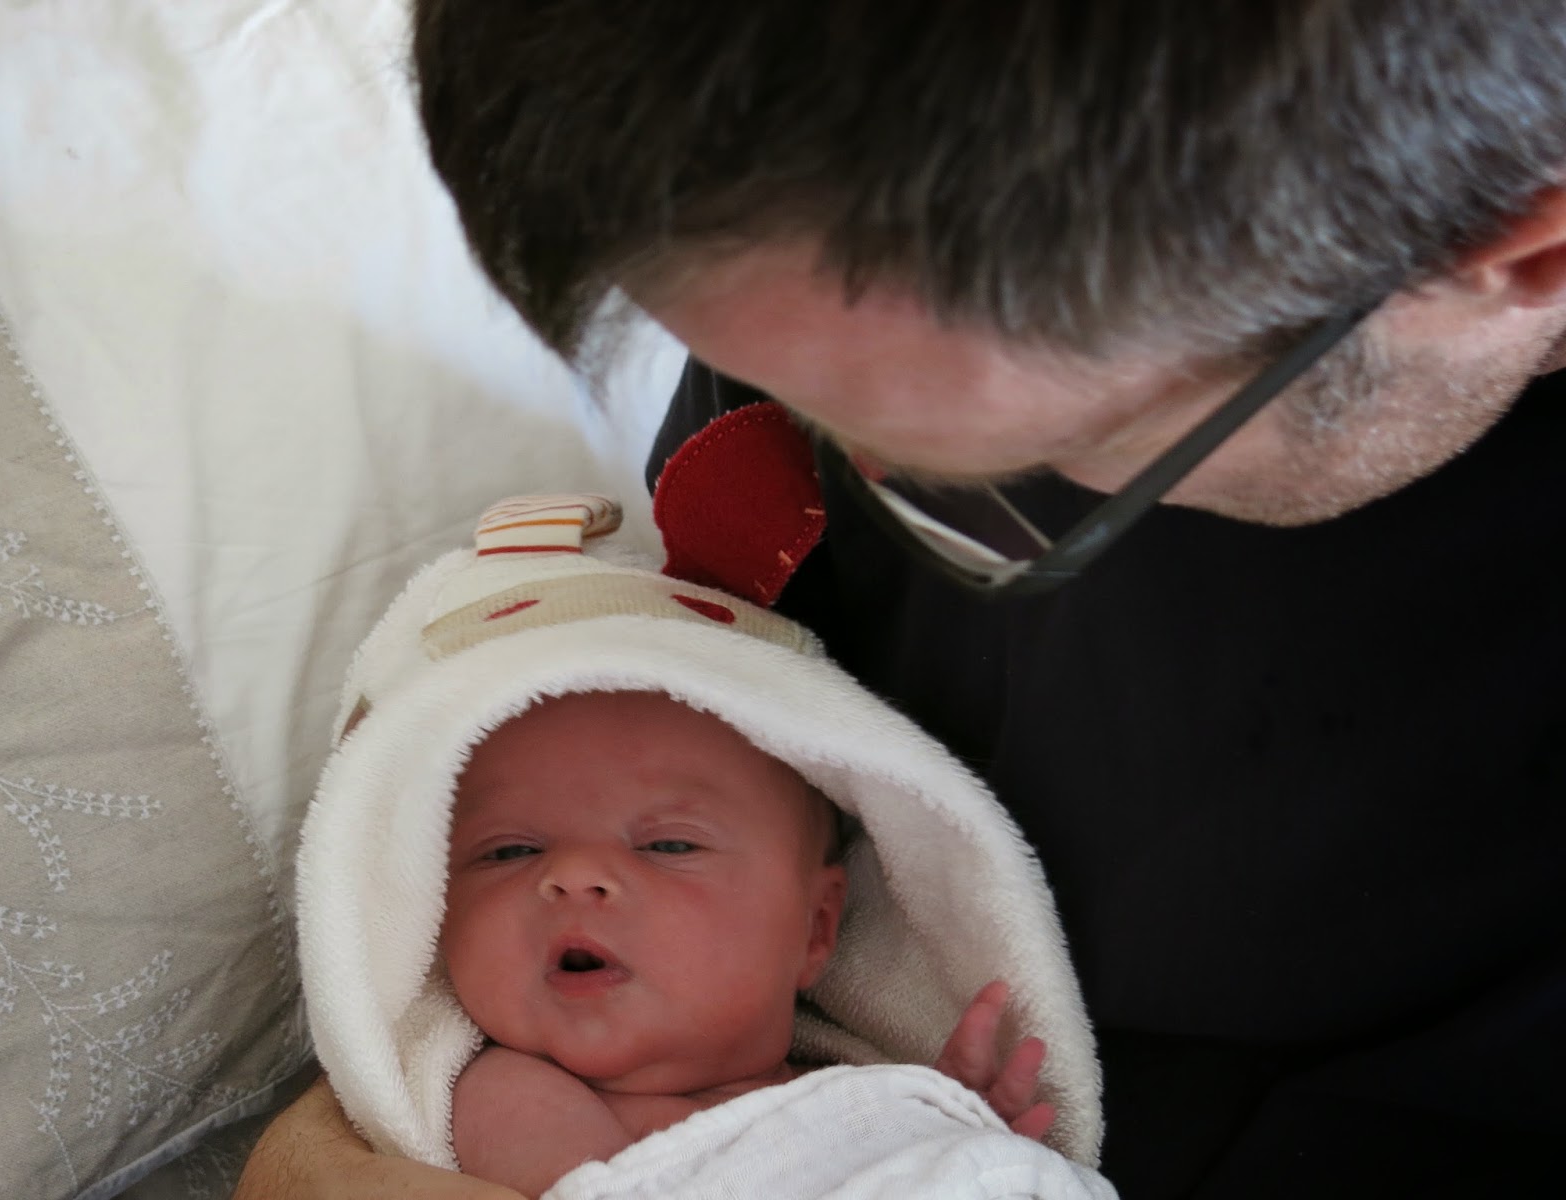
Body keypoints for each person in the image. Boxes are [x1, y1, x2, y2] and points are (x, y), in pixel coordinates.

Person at [237, 4, 1566, 1197]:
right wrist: (388, 1118)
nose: (843, 472)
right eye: (788, 393)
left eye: (989, 478)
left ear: (1520, 258)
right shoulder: (853, 215)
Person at [292, 493, 1114, 1199]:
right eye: (508, 852)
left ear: (817, 928)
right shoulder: (511, 1094)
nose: (575, 875)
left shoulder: (860, 1089)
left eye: (668, 844)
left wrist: (949, 1128)